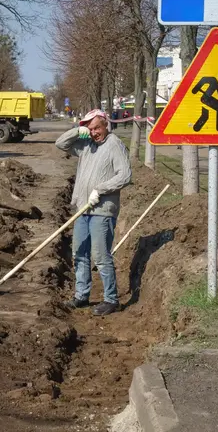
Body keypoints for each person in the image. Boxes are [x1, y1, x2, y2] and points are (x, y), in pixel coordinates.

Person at [55, 109, 132, 316]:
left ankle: (111, 299)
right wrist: (77, 131)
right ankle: (82, 295)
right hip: (82, 208)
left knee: (100, 255)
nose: (94, 132)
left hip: (102, 210)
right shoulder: (86, 145)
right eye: (90, 129)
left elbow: (125, 175)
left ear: (106, 124)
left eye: (97, 127)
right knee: (79, 253)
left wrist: (100, 189)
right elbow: (61, 144)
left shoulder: (114, 144)